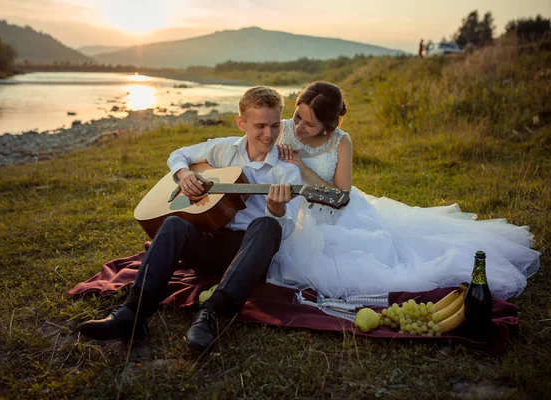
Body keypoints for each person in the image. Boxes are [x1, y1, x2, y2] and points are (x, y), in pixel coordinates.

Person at [267, 81, 540, 301]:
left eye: (310, 124)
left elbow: (341, 196)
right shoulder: (283, 130)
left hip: (337, 215)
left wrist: (301, 166)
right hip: (292, 210)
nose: (299, 128)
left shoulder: (340, 142)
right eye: (297, 116)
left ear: (329, 126)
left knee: (366, 263)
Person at [78, 86, 302, 350]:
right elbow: (179, 155)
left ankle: (210, 315)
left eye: (275, 125)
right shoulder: (223, 148)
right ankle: (132, 314)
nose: (269, 134)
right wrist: (185, 176)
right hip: (210, 244)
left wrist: (276, 211)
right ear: (241, 123)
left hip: (250, 258)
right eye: (260, 126)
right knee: (173, 223)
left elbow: (283, 234)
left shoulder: (287, 172)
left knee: (266, 225)